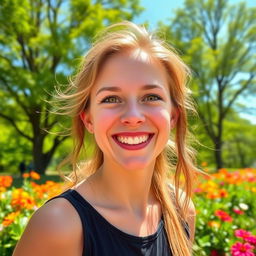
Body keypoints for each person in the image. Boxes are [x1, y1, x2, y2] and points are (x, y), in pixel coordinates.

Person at [13, 21, 199, 256]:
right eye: (111, 99)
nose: (133, 117)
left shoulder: (182, 210)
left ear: (172, 116)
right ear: (88, 119)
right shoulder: (58, 224)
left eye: (151, 97)